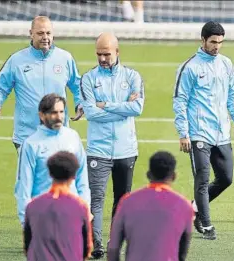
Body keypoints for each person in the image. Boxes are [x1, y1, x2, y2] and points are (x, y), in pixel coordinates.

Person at [172, 21, 234, 240]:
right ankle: (206, 224)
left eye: (220, 42)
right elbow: (180, 101)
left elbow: (233, 93)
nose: (217, 46)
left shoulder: (226, 64)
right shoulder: (190, 67)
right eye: (213, 42)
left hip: (221, 132)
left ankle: (193, 209)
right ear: (202, 40)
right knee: (202, 180)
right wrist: (183, 133)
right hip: (198, 133)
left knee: (226, 178)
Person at [78, 32, 145, 258]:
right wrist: (120, 108)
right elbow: (91, 113)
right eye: (99, 54)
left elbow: (137, 109)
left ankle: (114, 241)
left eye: (106, 54)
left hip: (126, 150)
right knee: (96, 198)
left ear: (117, 52)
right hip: (98, 149)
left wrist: (105, 104)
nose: (102, 58)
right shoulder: (88, 79)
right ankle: (97, 243)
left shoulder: (133, 77)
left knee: (122, 199)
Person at [0, 16, 84, 152]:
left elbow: (77, 85)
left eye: (48, 33)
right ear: (31, 34)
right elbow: (0, 87)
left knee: (56, 173)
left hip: (58, 134)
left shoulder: (65, 58)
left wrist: (80, 103)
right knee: (31, 174)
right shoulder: (17, 60)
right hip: (27, 136)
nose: (45, 37)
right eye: (40, 33)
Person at [14, 93, 90, 228]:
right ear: (42, 115)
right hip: (43, 216)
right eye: (54, 113)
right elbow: (24, 185)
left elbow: (82, 177)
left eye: (61, 112)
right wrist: (25, 221)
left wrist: (85, 208)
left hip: (71, 213)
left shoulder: (72, 137)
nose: (59, 117)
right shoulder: (31, 144)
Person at [108, 151, 193, 261]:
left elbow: (113, 247)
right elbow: (182, 251)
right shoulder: (184, 205)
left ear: (148, 174)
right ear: (174, 176)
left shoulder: (127, 201)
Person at [24, 151, 93, 261]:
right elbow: (87, 247)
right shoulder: (80, 207)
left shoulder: (33, 205)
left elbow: (28, 243)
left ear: (50, 174)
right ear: (74, 176)